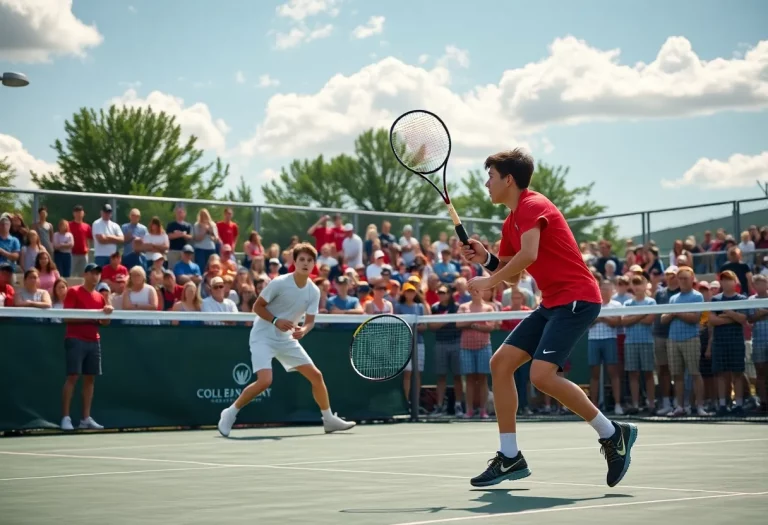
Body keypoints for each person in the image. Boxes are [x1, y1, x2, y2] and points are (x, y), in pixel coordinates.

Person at [462, 148, 636, 488]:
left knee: (541, 376)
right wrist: (486, 259)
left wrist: (488, 281)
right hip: (553, 302)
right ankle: (510, 456)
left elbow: (529, 254)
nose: (486, 184)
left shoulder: (533, 205)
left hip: (578, 298)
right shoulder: (511, 220)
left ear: (508, 180)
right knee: (500, 364)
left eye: (491, 177)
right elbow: (514, 275)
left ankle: (613, 434)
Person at [217, 243, 355, 436]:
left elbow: (310, 322)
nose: (305, 263)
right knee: (265, 381)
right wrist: (275, 320)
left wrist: (303, 331)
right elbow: (257, 307)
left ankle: (329, 419)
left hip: (286, 339)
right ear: (294, 262)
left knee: (316, 376)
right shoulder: (280, 283)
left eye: (309, 260)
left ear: (314, 264)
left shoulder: (314, 291)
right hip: (262, 335)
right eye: (302, 260)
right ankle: (230, 413)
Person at [61, 263, 114, 430]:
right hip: (75, 339)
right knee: (73, 377)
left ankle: (85, 419)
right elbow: (67, 317)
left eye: (98, 273)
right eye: (92, 273)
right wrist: (92, 317)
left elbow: (105, 323)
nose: (95, 276)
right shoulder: (73, 291)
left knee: (90, 379)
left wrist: (107, 311)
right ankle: (66, 418)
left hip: (94, 340)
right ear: (85, 275)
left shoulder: (100, 297)